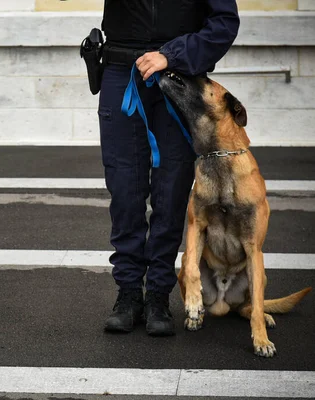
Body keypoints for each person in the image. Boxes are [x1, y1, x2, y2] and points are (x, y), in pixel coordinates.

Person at [99, 0, 240, 336]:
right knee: (124, 188)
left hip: (179, 80)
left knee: (172, 190)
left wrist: (172, 54)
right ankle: (129, 292)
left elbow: (223, 23)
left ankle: (158, 294)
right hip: (123, 70)